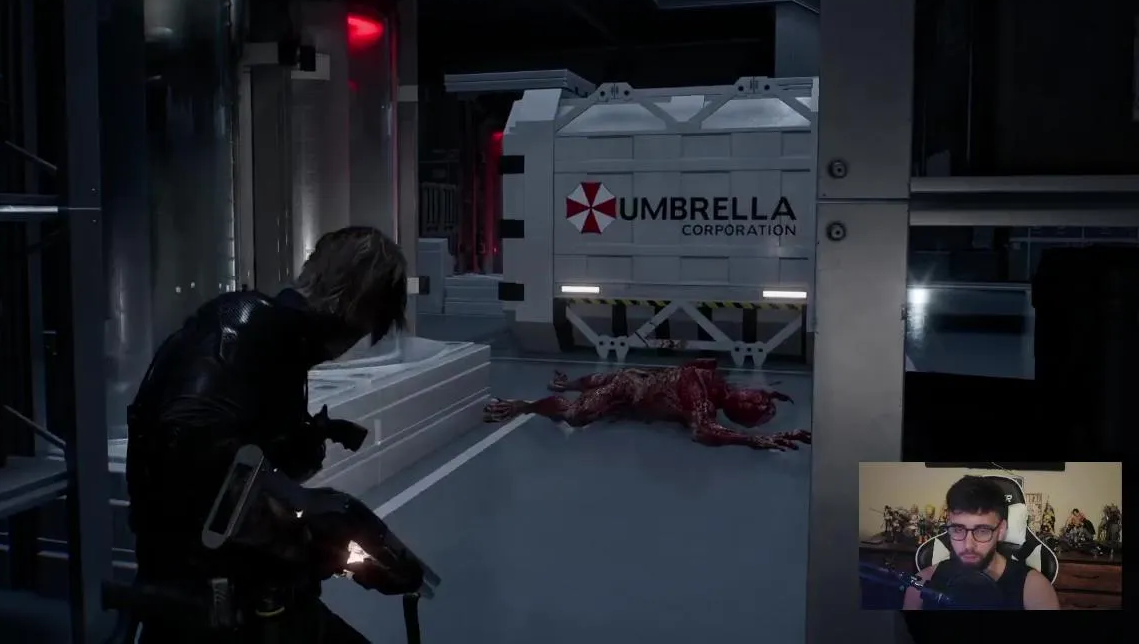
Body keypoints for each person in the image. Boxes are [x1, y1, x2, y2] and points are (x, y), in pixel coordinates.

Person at [125, 226, 414, 642]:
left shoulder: (276, 346)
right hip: (210, 612)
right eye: (367, 324)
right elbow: (188, 455)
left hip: (250, 599)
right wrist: (309, 517)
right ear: (359, 305)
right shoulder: (245, 330)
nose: (354, 343)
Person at [482, 358, 810, 451]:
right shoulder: (707, 379)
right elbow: (703, 431)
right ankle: (524, 405)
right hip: (631, 387)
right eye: (759, 397)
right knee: (575, 414)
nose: (756, 398)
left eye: (754, 404)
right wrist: (753, 437)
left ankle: (562, 387)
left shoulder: (704, 400)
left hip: (636, 394)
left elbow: (704, 430)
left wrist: (751, 439)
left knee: (605, 388)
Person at [903, 476, 1060, 611]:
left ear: (1001, 530)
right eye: (958, 529)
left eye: (982, 530)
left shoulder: (1034, 589)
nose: (968, 545)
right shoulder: (921, 583)